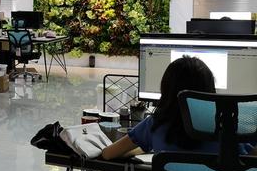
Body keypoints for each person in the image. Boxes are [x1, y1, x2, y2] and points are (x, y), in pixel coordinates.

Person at [102, 56, 254, 160]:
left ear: (166, 90)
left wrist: (144, 147)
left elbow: (108, 154)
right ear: (210, 91)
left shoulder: (154, 125)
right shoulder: (228, 129)